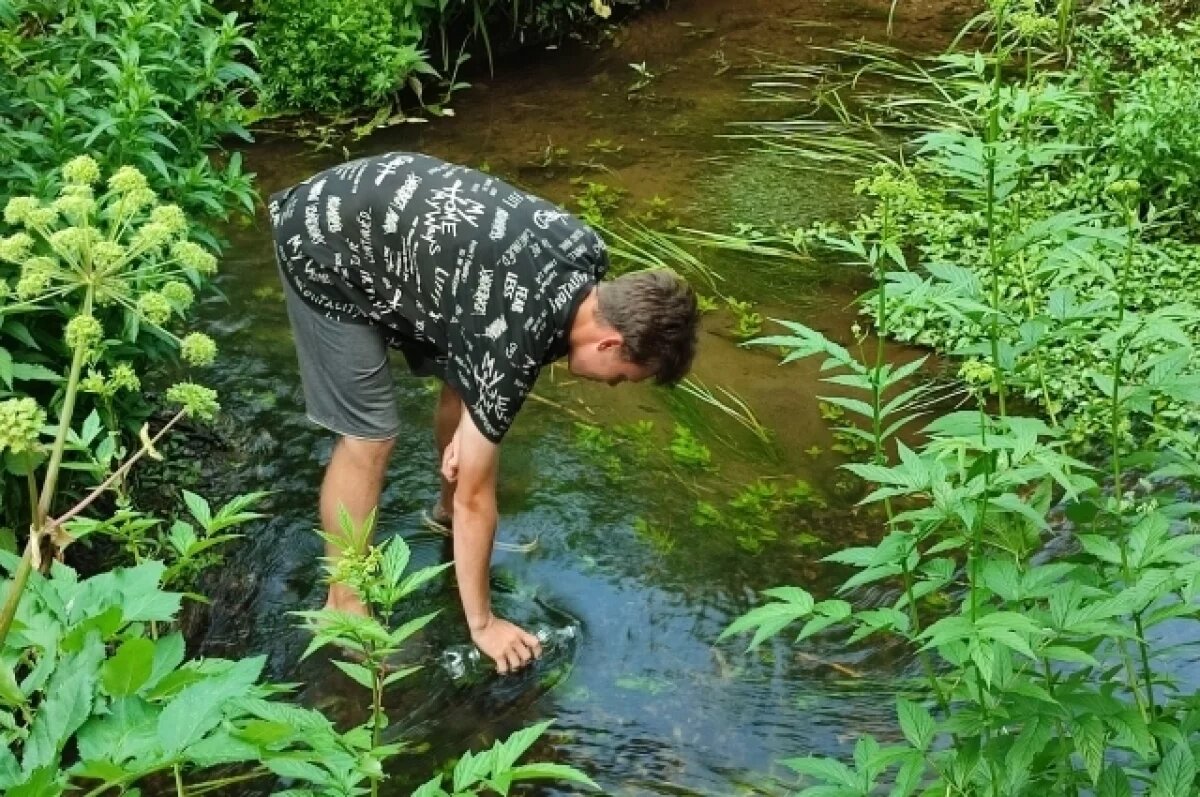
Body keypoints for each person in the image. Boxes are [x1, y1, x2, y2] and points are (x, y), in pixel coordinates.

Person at [268, 152, 699, 674]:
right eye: (624, 376)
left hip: (395, 229)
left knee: (463, 393)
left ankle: (440, 516)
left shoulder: (587, 255)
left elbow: (475, 369)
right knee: (370, 435)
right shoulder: (516, 343)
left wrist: (465, 478)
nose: (612, 386)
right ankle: (342, 605)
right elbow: (480, 495)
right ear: (609, 343)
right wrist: (484, 624)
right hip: (325, 239)